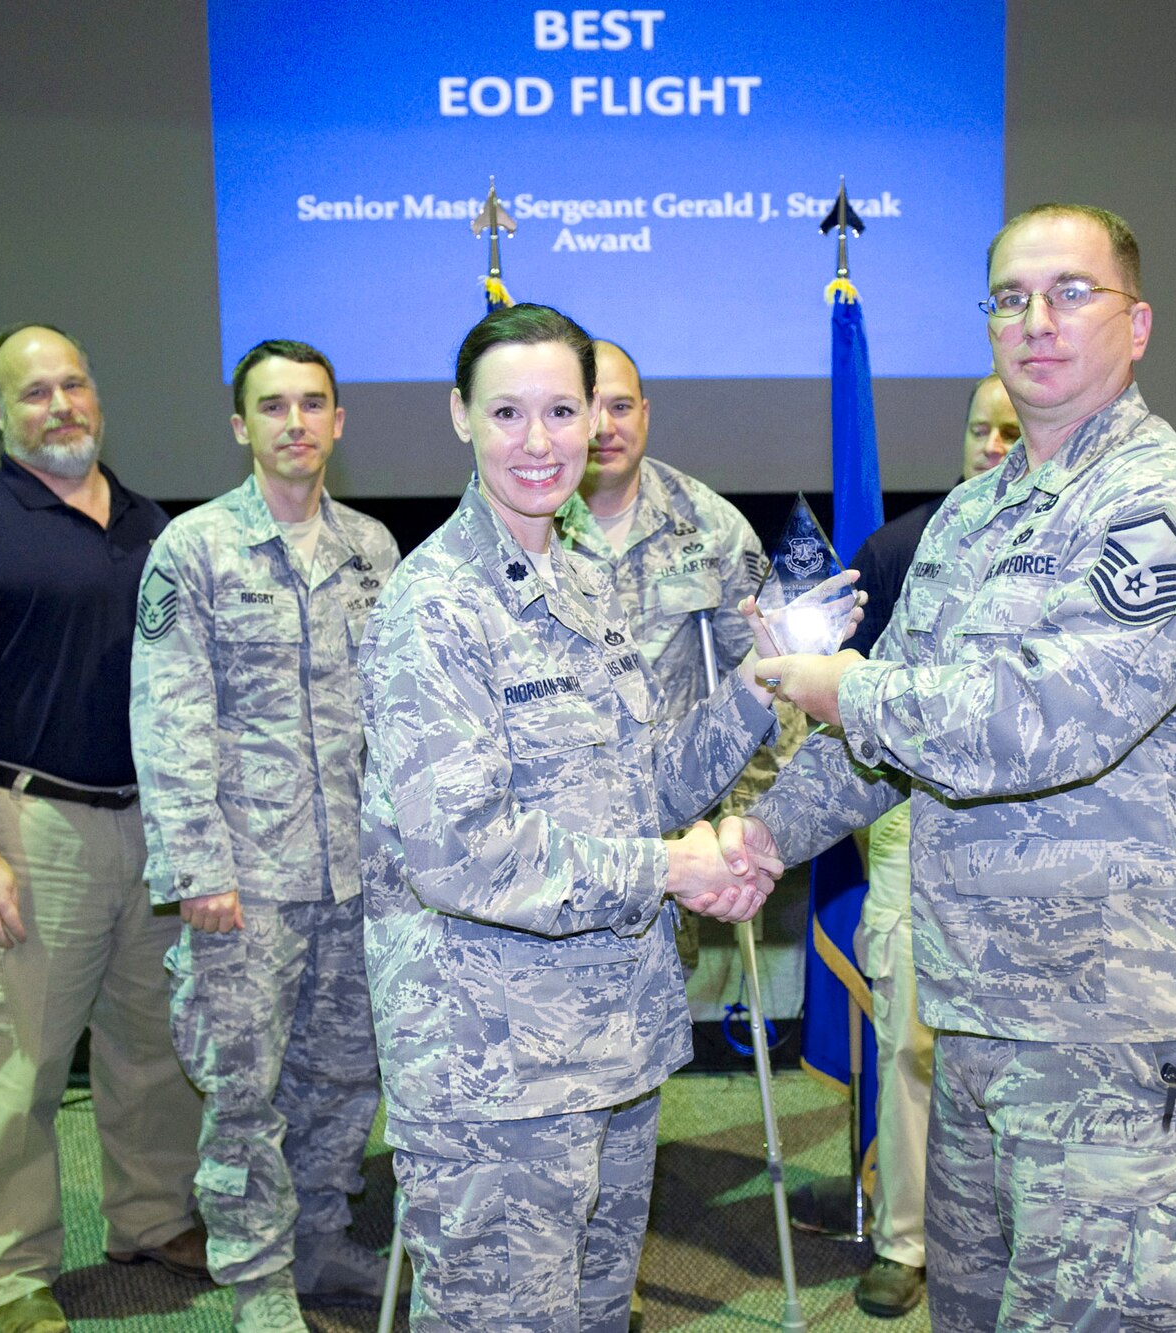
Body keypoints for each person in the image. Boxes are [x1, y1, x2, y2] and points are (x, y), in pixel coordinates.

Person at [726, 204, 1176, 1332]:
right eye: (1010, 298)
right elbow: (893, 752)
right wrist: (755, 840)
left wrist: (845, 684)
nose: (1036, 320)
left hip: (1123, 1040)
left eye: (1072, 292)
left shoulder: (1162, 502)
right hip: (977, 1025)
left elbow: (1047, 718)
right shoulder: (969, 519)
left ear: (1137, 326)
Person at [357, 303, 791, 1332]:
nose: (539, 440)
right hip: (492, 1067)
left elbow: (640, 786)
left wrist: (760, 688)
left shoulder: (587, 573)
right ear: (459, 416)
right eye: (507, 412)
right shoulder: (437, 606)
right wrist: (669, 871)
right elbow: (464, 857)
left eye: (563, 409)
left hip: (610, 1043)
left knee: (596, 1316)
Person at [0, 324, 204, 1333]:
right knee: (21, 1062)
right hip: (34, 828)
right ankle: (9, 1269)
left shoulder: (150, 525)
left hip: (148, 833)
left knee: (153, 1051)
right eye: (32, 393)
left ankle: (156, 1221)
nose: (60, 404)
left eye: (73, 383)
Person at [130, 340, 402, 1330]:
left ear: (339, 420)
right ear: (240, 426)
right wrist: (197, 868)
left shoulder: (373, 551)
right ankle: (253, 1279)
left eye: (313, 404)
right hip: (247, 881)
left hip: (357, 878)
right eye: (272, 407)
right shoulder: (194, 549)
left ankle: (316, 1241)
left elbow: (401, 714)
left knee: (344, 1072)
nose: (295, 423)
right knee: (245, 1089)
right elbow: (170, 719)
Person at [840, 372, 1020, 1318]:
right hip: (914, 824)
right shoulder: (904, 547)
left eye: (1012, 428)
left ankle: (1014, 1233)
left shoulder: (1066, 549)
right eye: (979, 428)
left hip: (1034, 836)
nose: (993, 444)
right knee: (911, 1042)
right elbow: (848, 706)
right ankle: (905, 1238)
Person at [554, 339, 807, 962]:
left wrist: (747, 829)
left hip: (670, 830)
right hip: (555, 831)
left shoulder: (712, 528)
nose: (605, 428)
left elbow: (768, 685)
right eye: (588, 408)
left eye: (621, 406)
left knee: (653, 1033)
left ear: (646, 411)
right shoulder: (532, 520)